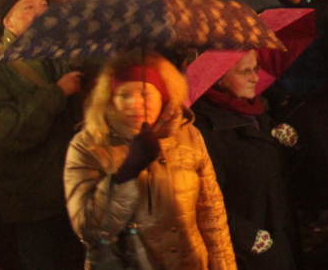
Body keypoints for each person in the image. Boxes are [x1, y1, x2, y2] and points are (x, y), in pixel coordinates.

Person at [64, 52, 236, 269]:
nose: (134, 103)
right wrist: (126, 173)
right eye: (124, 95)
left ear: (163, 95)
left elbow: (212, 214)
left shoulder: (187, 135)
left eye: (145, 94)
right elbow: (90, 230)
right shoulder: (88, 145)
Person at [0, 0, 85, 269]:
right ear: (9, 21)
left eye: (44, 5)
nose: (40, 12)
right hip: (35, 203)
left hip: (76, 192)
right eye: (28, 7)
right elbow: (2, 132)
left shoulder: (62, 56)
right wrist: (57, 93)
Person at [192, 51, 299, 269]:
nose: (255, 78)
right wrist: (245, 237)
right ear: (219, 77)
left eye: (256, 68)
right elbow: (205, 200)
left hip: (279, 232)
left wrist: (290, 145)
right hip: (250, 252)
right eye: (245, 71)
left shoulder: (253, 111)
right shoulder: (205, 129)